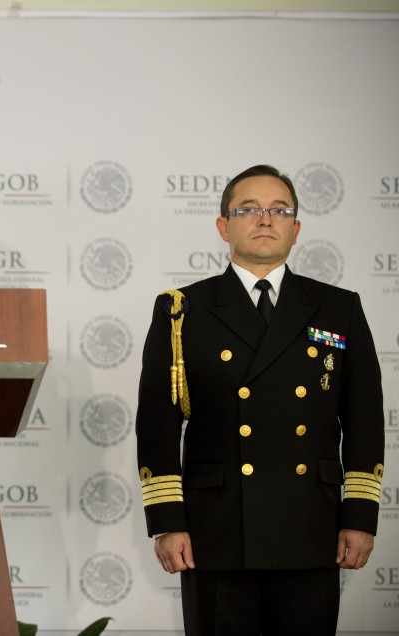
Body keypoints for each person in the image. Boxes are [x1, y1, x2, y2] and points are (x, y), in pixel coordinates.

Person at [135, 164, 384, 635]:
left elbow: (365, 420)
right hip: (218, 530)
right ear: (224, 226)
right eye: (248, 209)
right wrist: (168, 521)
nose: (265, 219)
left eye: (279, 210)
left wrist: (360, 516)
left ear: (296, 228)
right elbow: (158, 425)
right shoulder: (182, 310)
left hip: (311, 526)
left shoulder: (338, 306)